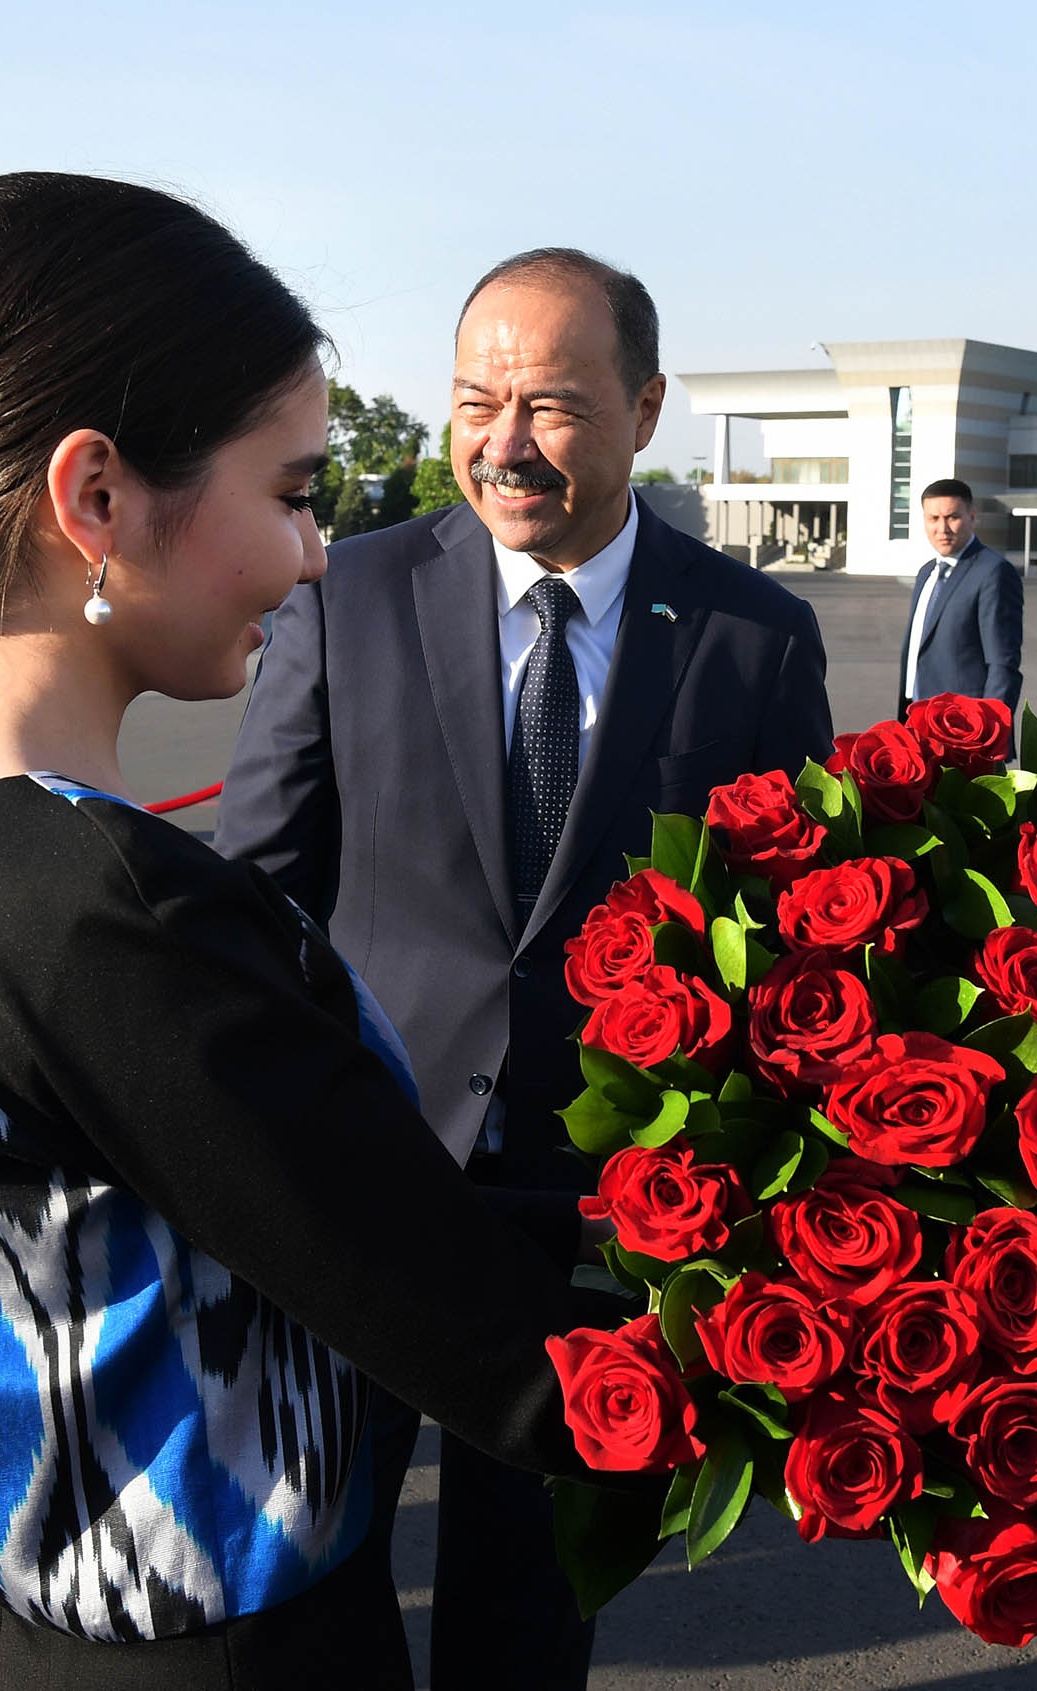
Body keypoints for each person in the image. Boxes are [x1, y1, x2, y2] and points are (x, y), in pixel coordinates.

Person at [0, 175, 616, 1691]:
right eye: (290, 493)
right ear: (95, 498)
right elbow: (483, 1332)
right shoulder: (101, 896)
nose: (311, 557)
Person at [214, 247, 833, 1690]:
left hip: (612, 1221)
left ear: (647, 405)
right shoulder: (341, 599)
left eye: (550, 404)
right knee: (316, 1591)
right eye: (476, 398)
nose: (504, 443)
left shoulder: (753, 636)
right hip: (368, 1193)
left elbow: (798, 950)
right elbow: (258, 901)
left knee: (532, 1612)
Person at [897, 477, 1021, 717]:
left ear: (972, 517)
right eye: (933, 519)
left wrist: (990, 731)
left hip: (963, 726)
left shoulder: (994, 572)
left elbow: (1002, 663)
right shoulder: (926, 573)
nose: (942, 529)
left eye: (952, 517)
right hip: (916, 714)